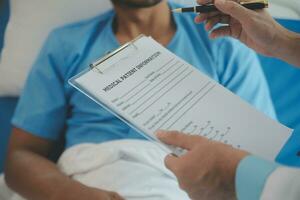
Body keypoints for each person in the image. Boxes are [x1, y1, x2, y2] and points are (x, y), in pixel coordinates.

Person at [4, 0, 277, 199]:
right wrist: (72, 194)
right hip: (87, 177)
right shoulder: (66, 44)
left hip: (183, 182)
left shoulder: (223, 40)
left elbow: (257, 160)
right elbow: (20, 158)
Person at [157, 0, 300, 199]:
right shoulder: (97, 35)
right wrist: (280, 39)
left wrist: (236, 177)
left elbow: (259, 144)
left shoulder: (220, 44)